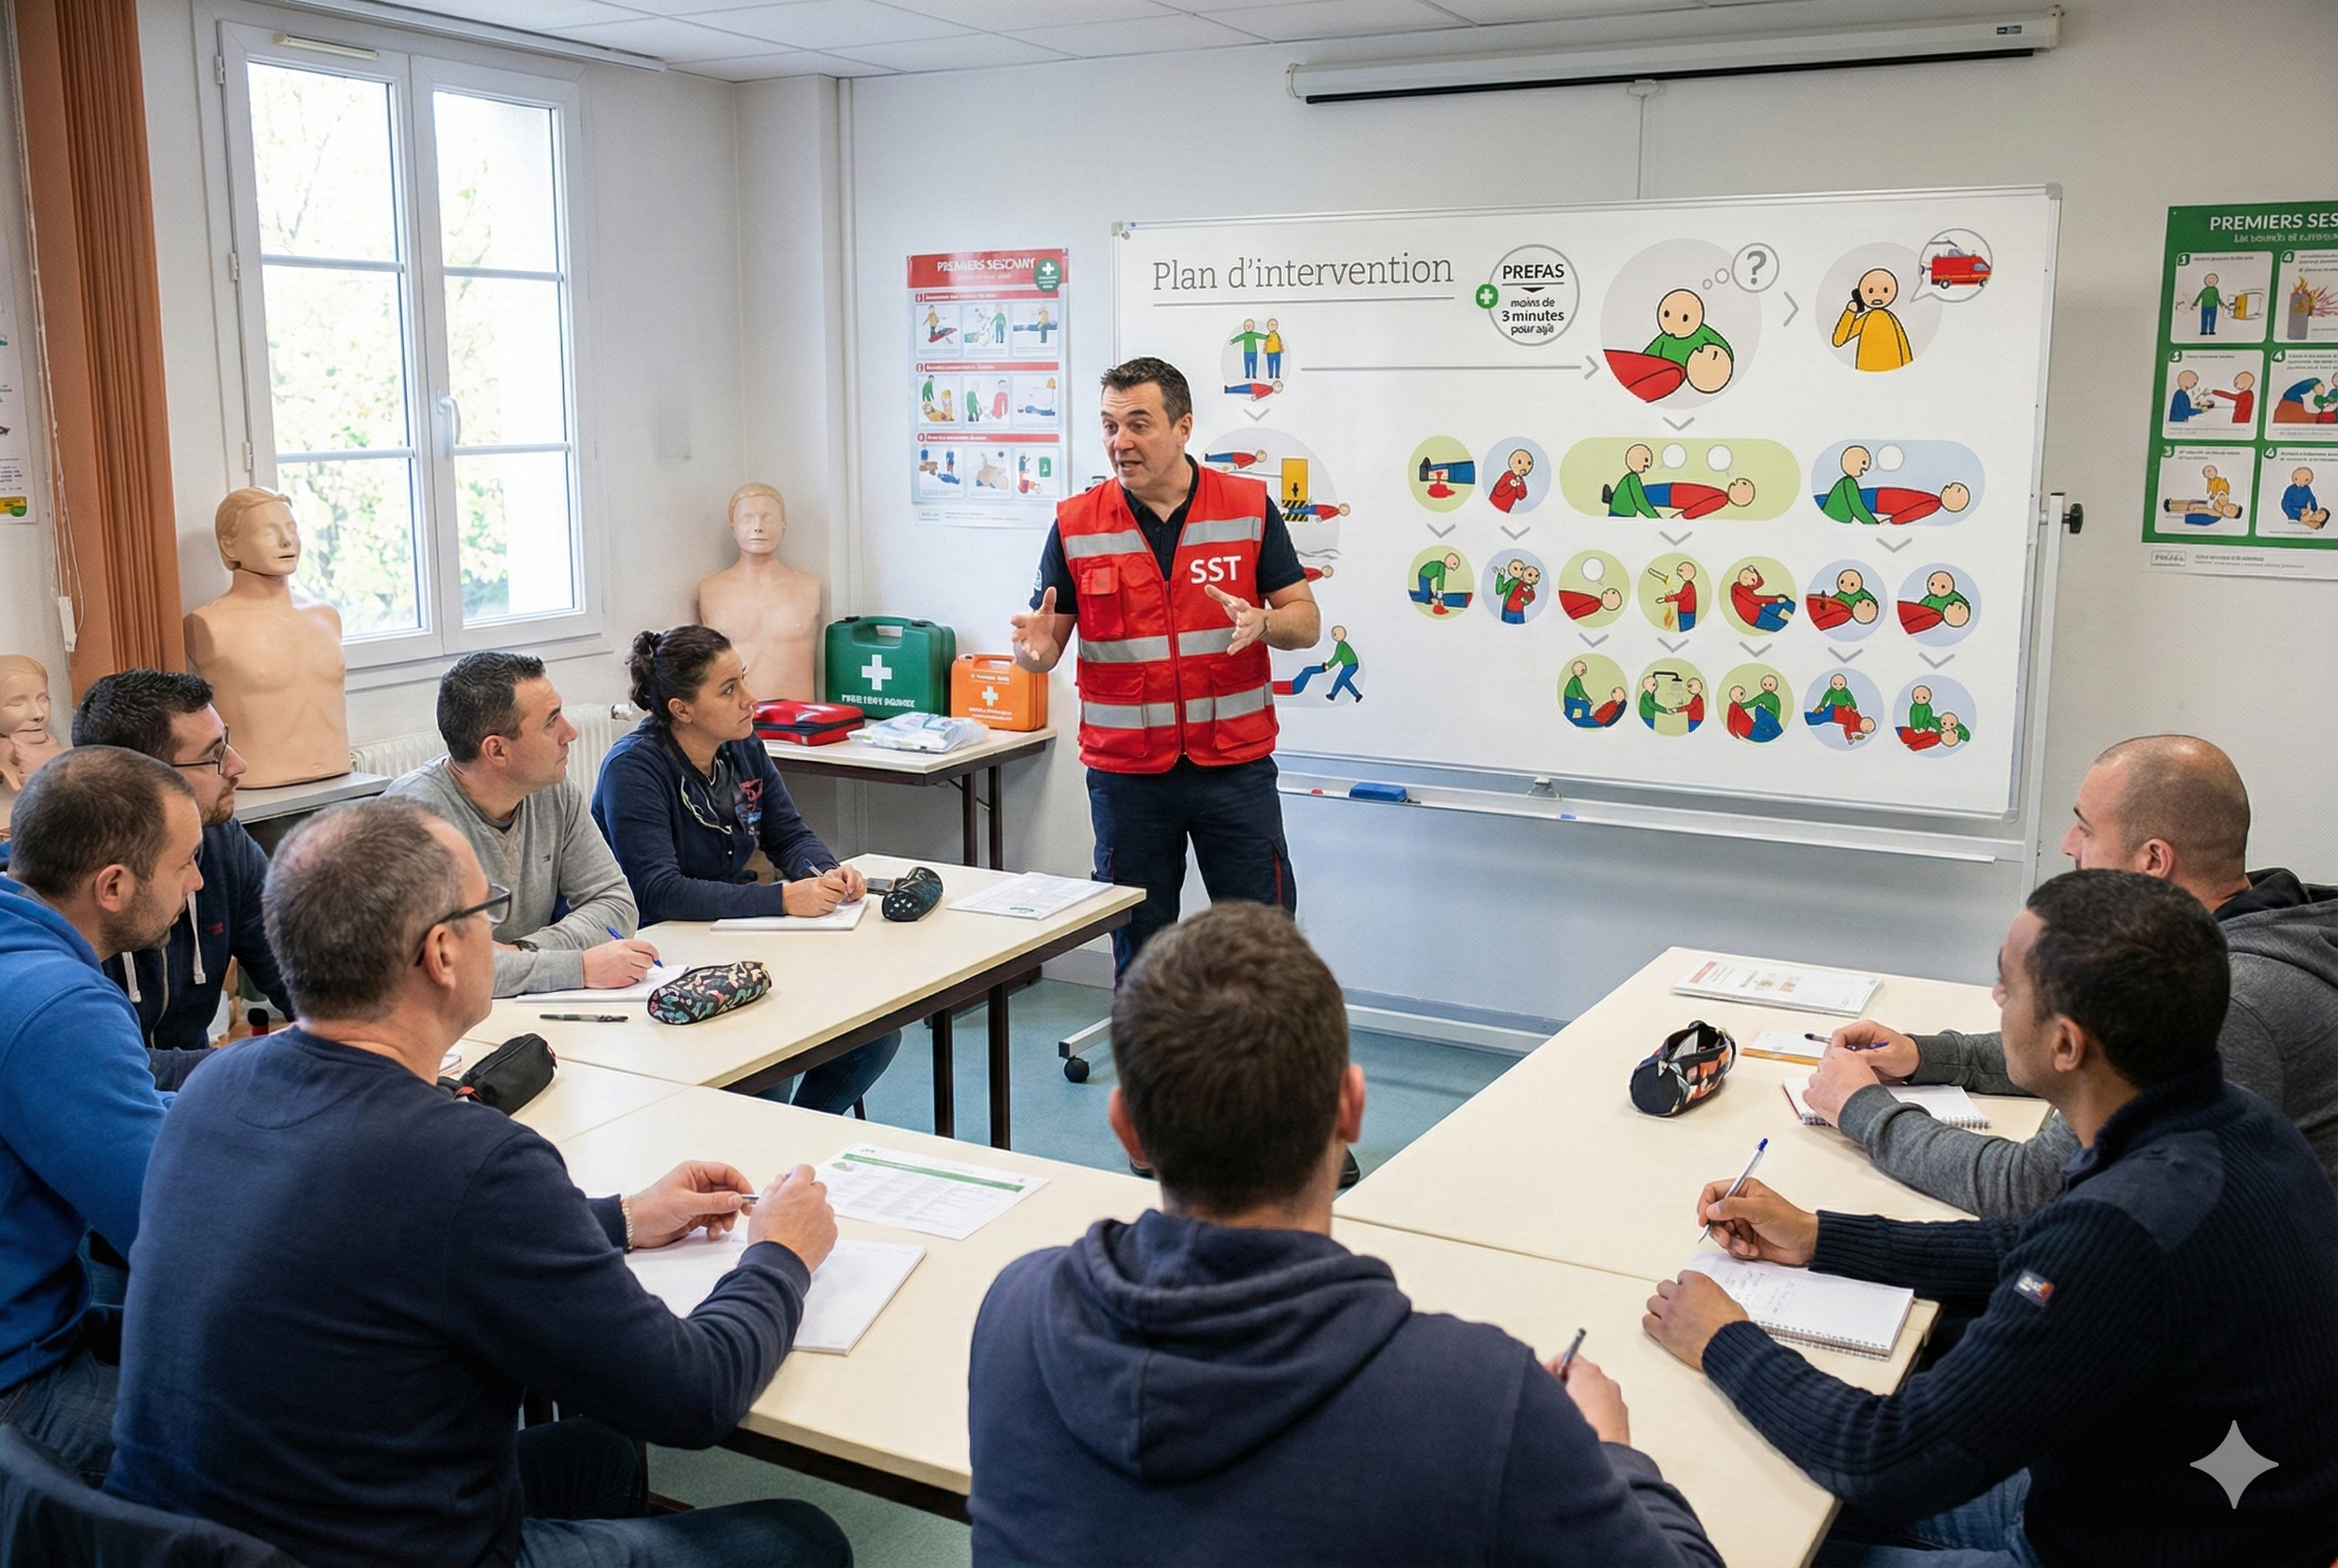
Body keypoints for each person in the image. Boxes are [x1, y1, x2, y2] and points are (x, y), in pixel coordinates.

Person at [104, 798, 851, 1568]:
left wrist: (622, 1217)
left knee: (600, 1457)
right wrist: (779, 1256)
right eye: (486, 913)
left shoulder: (212, 1089)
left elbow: (385, 1229)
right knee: (799, 1540)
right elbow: (692, 1396)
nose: (498, 934)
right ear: (442, 952)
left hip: (198, 1541)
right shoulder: (473, 1158)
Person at [969, 902, 1722, 1568]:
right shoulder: (1477, 1398)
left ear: (1127, 1130)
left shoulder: (1016, 1310)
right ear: (1351, 1109)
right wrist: (1613, 1452)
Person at [1646, 870, 2338, 1568]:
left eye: (2008, 986)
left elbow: (1887, 1457)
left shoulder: (2125, 1231)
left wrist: (1722, 1338)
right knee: (1774, 1495)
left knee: (1734, 1538)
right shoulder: (2233, 1125)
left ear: (2066, 1045)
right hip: (2161, 1506)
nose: (1995, 999)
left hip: (2121, 1542)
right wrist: (1820, 1235)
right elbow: (2028, 1243)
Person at [1801, 735, 2338, 1215]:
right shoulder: (2255, 927)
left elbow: (2036, 1189)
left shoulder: (2232, 1002)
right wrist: (1930, 1057)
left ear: (2154, 861)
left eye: (2085, 827)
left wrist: (1863, 1111)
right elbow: (2095, 1048)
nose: (2066, 844)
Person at [593, 626, 900, 1115]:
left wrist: (824, 872)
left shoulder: (742, 746)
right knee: (766, 1066)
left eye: (744, 680)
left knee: (872, 1035)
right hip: (661, 953)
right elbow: (657, 893)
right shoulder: (634, 769)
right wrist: (781, 899)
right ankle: (773, 1156)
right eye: (729, 689)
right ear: (681, 709)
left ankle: (799, 1139)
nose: (749, 700)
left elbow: (788, 834)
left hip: (733, 934)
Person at [0, 748, 194, 1482]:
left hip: (35, 1320)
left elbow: (119, 1117)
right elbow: (173, 1229)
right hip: (19, 1384)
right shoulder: (59, 1004)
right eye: (186, 864)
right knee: (286, 1445)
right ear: (112, 884)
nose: (199, 882)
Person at [64, 670, 290, 1086]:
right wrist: (275, 1055)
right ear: (145, 779)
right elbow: (104, 1070)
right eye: (214, 755)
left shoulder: (222, 842)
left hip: (192, 1096)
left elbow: (296, 968)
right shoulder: (64, 886)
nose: (238, 765)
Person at [387, 652, 658, 998]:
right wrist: (578, 967)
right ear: (497, 750)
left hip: (521, 1003)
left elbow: (615, 904)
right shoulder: (414, 819)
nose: (570, 733)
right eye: (551, 722)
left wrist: (521, 953)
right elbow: (446, 969)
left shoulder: (553, 789)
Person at [1832, 267, 1914, 371]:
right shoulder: (1867, 319)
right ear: (1860, 293)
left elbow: (1904, 347)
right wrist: (1850, 313)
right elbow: (1839, 340)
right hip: (1866, 371)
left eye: (1885, 290)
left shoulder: (1890, 319)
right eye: (1870, 291)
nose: (1878, 296)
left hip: (1894, 369)